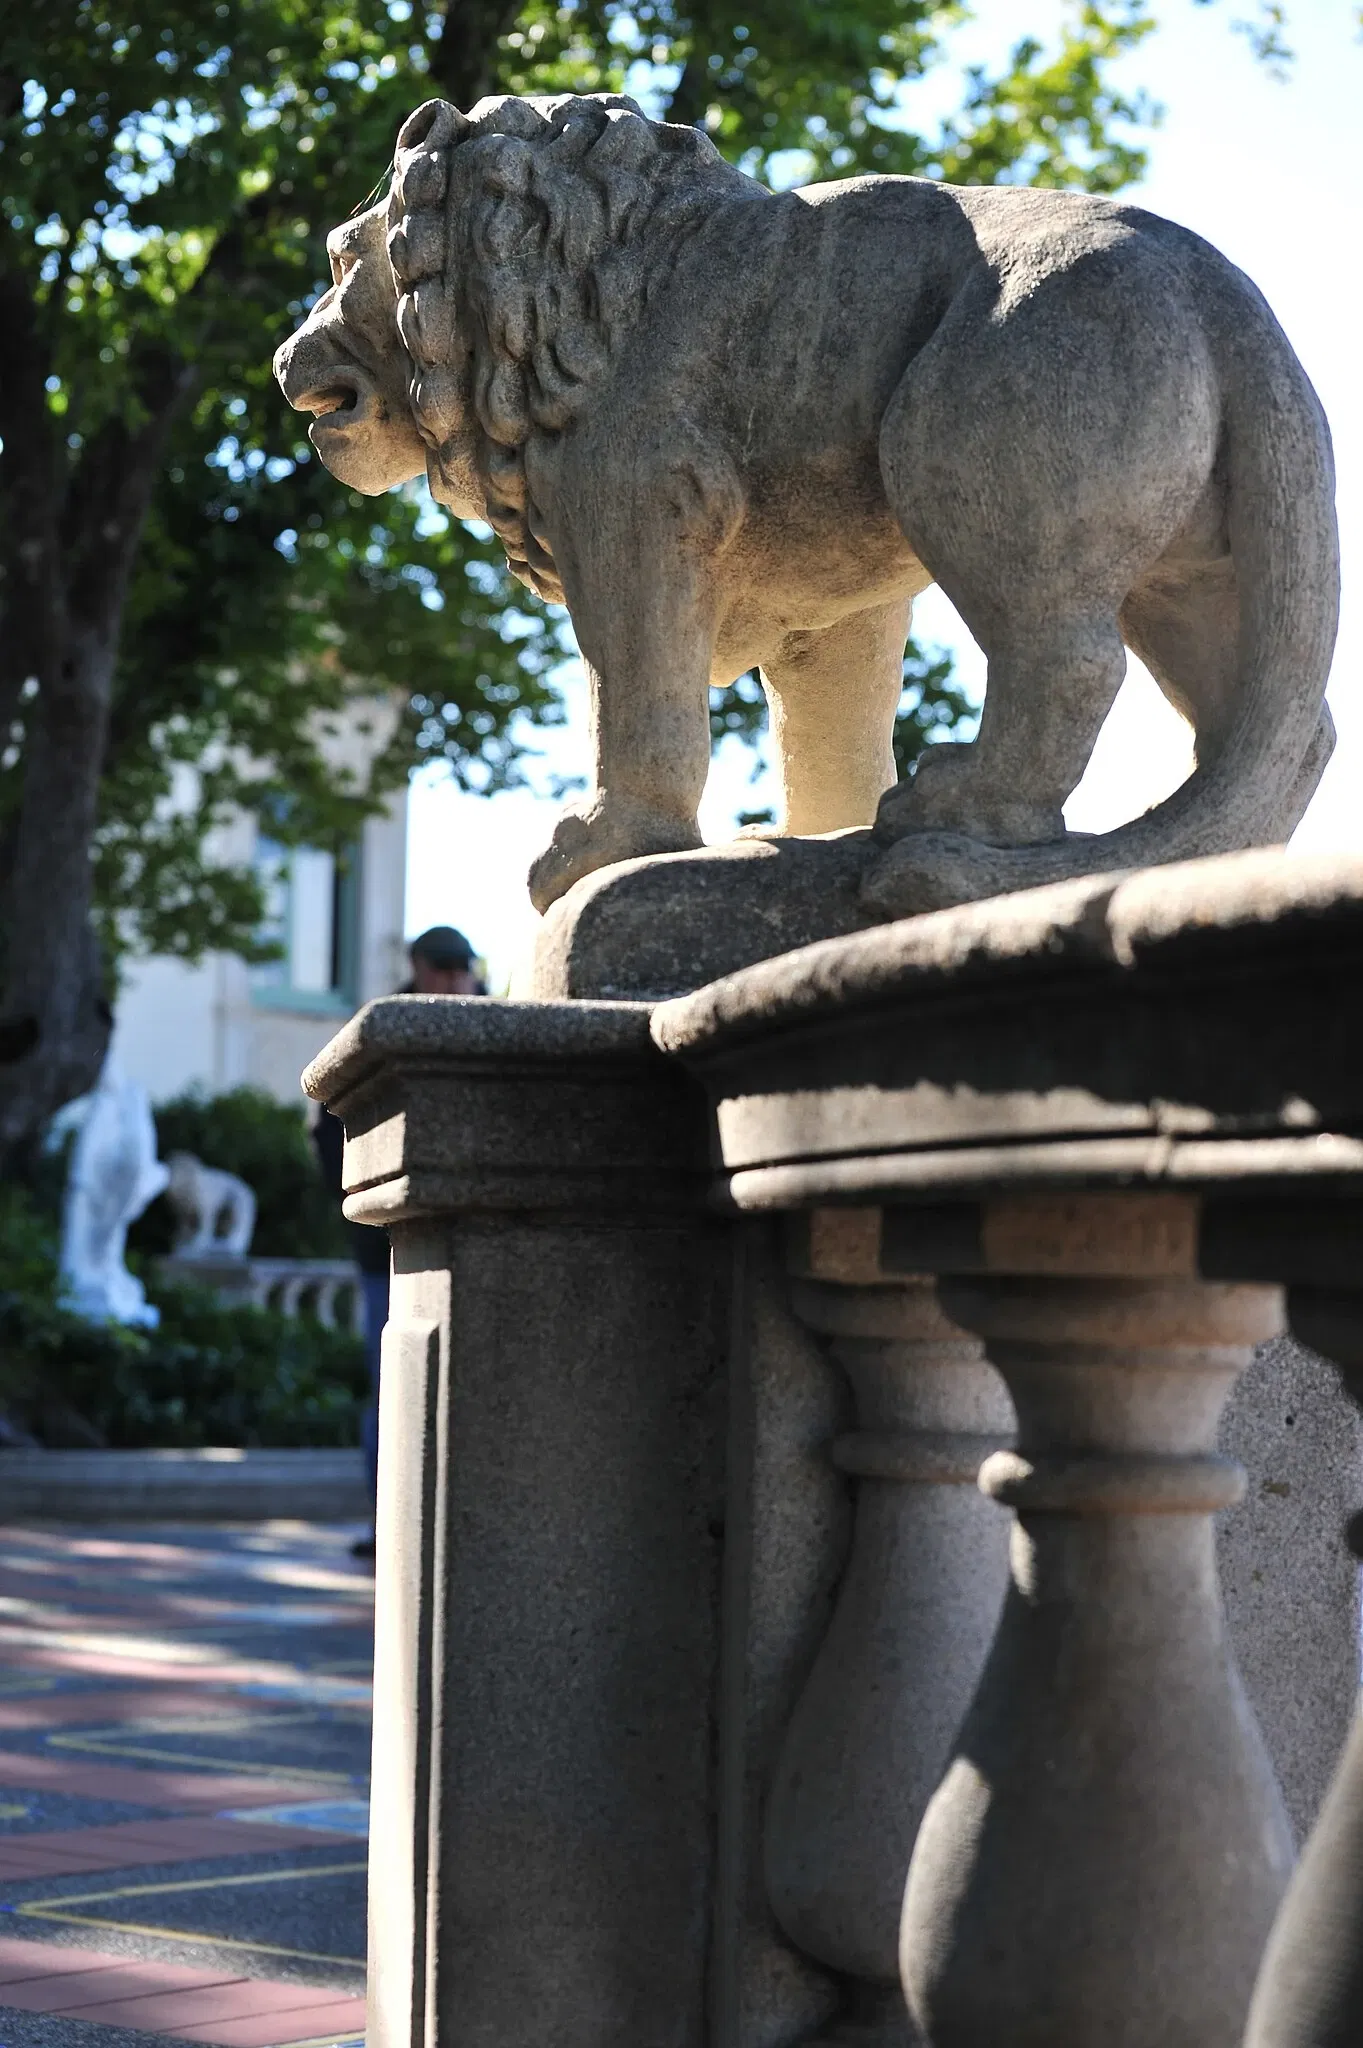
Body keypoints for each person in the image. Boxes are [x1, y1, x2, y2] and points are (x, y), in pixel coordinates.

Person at [316, 925, 486, 1560]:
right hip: (385, 1246)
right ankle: (386, 1519)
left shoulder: (493, 1025)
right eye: (441, 967)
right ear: (417, 966)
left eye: (459, 969)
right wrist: (357, 1214)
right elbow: (330, 1132)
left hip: (469, 1239)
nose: (451, 979)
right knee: (389, 1383)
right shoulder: (382, 1033)